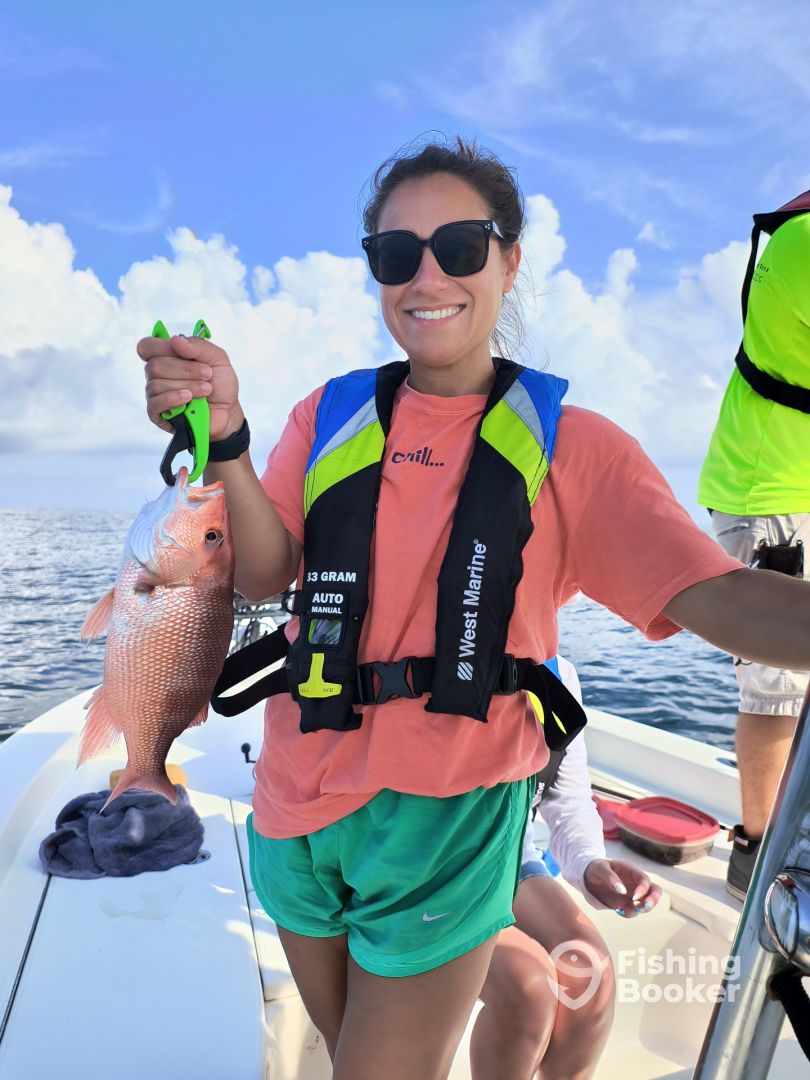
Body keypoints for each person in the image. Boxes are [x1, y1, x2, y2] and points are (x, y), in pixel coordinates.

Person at [138, 138, 810, 1080]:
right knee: (345, 1048)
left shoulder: (576, 449)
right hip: (294, 806)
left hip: (449, 823)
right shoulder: (327, 415)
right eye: (395, 254)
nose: (427, 277)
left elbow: (725, 597)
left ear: (508, 260)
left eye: (458, 247)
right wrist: (227, 442)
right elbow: (262, 574)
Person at [472, 655, 661, 1080]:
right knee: (527, 988)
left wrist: (590, 864)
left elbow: (566, 798)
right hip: (422, 868)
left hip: (506, 855)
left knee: (591, 971)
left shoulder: (559, 674)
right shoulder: (432, 647)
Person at [698, 191, 810, 900]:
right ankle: (759, 856)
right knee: (779, 688)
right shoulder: (806, 242)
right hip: (772, 496)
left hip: (790, 489)